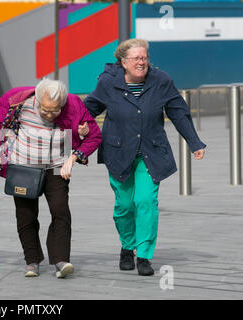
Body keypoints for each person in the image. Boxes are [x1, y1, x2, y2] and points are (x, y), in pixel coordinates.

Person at [83, 38, 206, 276]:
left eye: (144, 58)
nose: (142, 62)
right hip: (118, 152)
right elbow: (89, 108)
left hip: (150, 153)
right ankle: (127, 247)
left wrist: (194, 142)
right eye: (137, 58)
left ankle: (144, 256)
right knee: (124, 205)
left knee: (146, 202)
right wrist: (79, 127)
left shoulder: (161, 81)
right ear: (123, 62)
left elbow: (178, 112)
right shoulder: (108, 82)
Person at [0, 79, 102, 278]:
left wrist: (72, 158)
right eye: (45, 110)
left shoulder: (73, 104)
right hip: (23, 165)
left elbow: (94, 135)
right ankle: (32, 261)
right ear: (37, 100)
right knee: (26, 215)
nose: (49, 115)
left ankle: (61, 260)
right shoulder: (16, 100)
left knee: (60, 210)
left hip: (57, 165)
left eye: (55, 111)